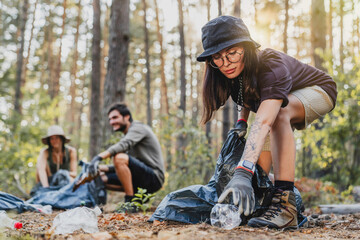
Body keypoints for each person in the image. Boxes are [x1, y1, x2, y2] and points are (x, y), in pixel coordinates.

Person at [197, 16, 337, 229]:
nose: (225, 64)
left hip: (319, 90)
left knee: (278, 115)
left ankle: (286, 206)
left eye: (232, 53)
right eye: (217, 57)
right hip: (284, 100)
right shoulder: (234, 74)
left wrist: (243, 171)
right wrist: (241, 121)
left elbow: (262, 121)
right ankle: (266, 200)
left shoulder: (271, 66)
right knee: (259, 172)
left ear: (247, 47)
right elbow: (248, 98)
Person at [88, 102, 165, 203]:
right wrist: (102, 168)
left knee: (119, 157)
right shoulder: (128, 134)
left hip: (154, 178)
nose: (111, 122)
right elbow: (127, 166)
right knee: (100, 177)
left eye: (115, 117)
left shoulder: (138, 128)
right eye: (110, 119)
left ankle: (130, 202)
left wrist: (97, 158)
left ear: (127, 117)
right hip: (139, 176)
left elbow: (122, 147)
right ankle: (100, 205)